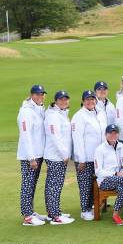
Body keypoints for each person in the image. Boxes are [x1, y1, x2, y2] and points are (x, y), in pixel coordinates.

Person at [72, 90, 107, 221]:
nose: (90, 101)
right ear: (83, 101)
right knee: (85, 185)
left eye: (92, 99)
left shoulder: (100, 113)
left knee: (96, 184)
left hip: (98, 157)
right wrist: (81, 159)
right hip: (85, 158)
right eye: (87, 99)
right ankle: (85, 210)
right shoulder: (79, 116)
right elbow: (78, 139)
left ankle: (94, 205)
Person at [42, 91, 75, 225]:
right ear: (56, 101)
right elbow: (55, 137)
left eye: (66, 99)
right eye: (61, 100)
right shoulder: (53, 115)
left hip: (58, 156)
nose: (64, 101)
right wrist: (64, 155)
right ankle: (55, 216)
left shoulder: (61, 113)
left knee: (54, 185)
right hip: (56, 156)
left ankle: (53, 212)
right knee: (54, 185)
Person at [18, 85, 47, 226]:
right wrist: (31, 157)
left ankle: (30, 211)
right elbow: (26, 135)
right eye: (37, 94)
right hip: (30, 156)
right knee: (27, 185)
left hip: (38, 154)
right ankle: (27, 217)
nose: (40, 96)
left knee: (32, 184)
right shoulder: (26, 112)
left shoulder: (39, 108)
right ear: (31, 95)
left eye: (42, 94)